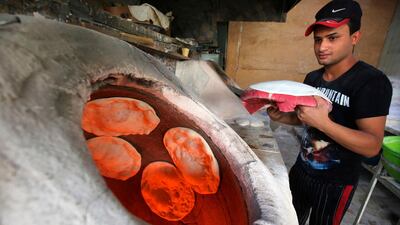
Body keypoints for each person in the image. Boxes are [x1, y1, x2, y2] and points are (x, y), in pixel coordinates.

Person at [267, 1, 393, 225]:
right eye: (318, 39)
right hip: (301, 172)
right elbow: (306, 119)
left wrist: (325, 123)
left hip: (336, 183)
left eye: (332, 38)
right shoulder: (312, 79)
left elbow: (373, 145)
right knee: (288, 220)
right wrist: (283, 117)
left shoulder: (371, 82)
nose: (322, 47)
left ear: (355, 38)